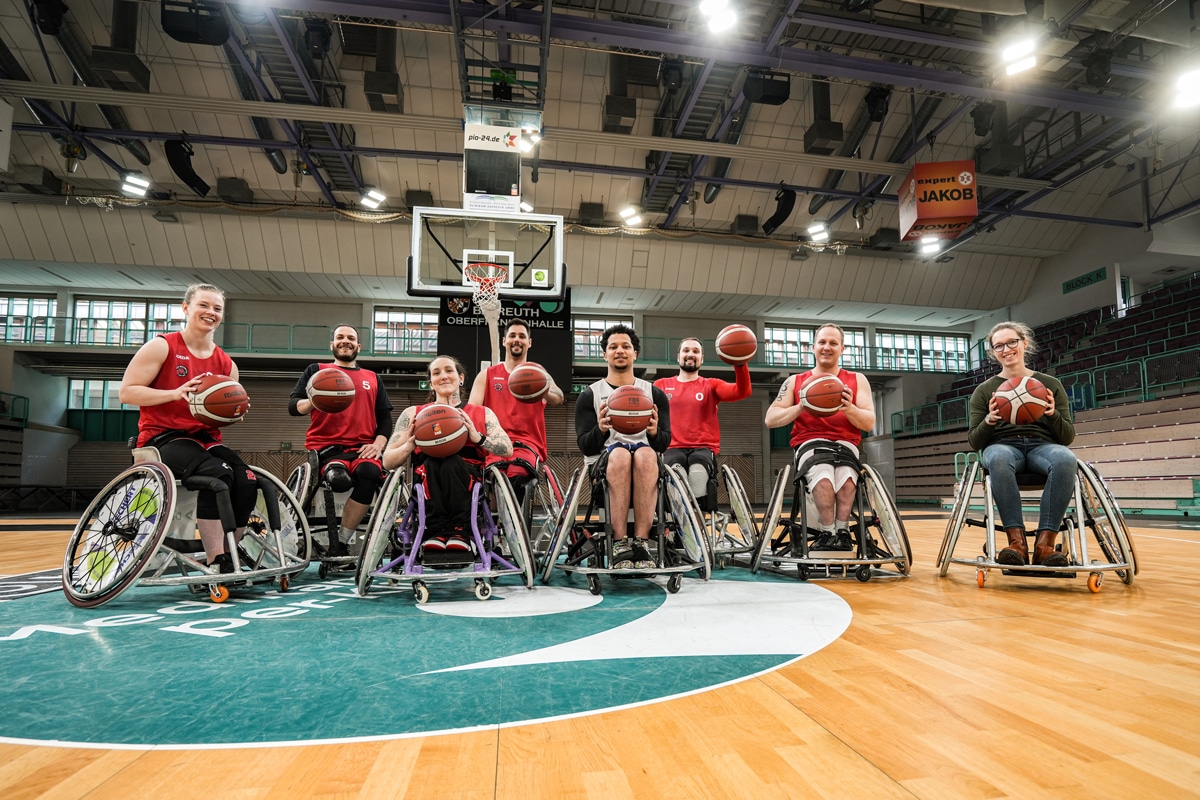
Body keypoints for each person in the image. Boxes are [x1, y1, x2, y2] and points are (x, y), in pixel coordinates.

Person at [118, 283, 257, 574]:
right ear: (186, 308)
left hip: (205, 439)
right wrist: (174, 393)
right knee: (217, 475)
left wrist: (233, 413)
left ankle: (231, 553)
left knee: (246, 479)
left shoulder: (226, 363)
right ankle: (215, 559)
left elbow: (220, 414)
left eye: (217, 308)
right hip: (162, 437)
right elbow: (127, 393)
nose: (211, 312)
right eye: (203, 305)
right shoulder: (162, 346)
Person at [968, 321, 1075, 568]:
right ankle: (1016, 543)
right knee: (998, 457)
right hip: (1003, 445)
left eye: (1011, 342)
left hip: (1043, 446)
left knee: (1065, 458)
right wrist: (990, 420)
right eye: (999, 346)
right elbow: (975, 441)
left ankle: (1045, 545)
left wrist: (1051, 414)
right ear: (993, 353)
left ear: (1024, 343)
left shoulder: (1050, 384)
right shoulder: (984, 391)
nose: (1006, 349)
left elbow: (1067, 437)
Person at [765, 323, 876, 551]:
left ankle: (842, 532)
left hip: (845, 444)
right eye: (823, 342)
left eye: (833, 343)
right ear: (813, 347)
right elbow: (771, 419)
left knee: (846, 476)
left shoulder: (857, 379)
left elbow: (869, 422)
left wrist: (848, 408)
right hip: (810, 442)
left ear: (842, 349)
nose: (827, 347)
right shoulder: (796, 381)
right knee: (823, 475)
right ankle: (827, 533)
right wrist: (800, 406)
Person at [384, 355, 512, 552]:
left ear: (460, 378)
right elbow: (387, 462)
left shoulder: (481, 413)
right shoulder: (414, 414)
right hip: (428, 479)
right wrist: (409, 445)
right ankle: (436, 530)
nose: (443, 376)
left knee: (451, 461)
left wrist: (478, 438)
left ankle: (459, 529)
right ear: (431, 383)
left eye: (449, 371)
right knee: (435, 463)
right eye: (436, 373)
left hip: (468, 480)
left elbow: (507, 449)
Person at [289, 324, 393, 557]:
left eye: (350, 338)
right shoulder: (316, 370)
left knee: (369, 474)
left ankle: (342, 543)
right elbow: (293, 408)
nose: (345, 341)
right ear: (332, 344)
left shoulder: (372, 378)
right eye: (340, 337)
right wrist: (314, 399)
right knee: (339, 480)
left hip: (362, 449)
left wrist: (378, 445)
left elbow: (385, 419)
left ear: (358, 346)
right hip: (326, 449)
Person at [575, 323, 672, 569]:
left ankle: (641, 543)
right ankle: (619, 543)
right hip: (605, 464)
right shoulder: (590, 395)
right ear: (604, 354)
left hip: (645, 462)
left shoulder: (654, 394)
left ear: (635, 354)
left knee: (646, 455)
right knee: (619, 454)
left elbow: (665, 442)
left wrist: (652, 432)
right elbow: (585, 446)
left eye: (626, 346)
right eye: (613, 347)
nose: (620, 351)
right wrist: (601, 429)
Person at [653, 336, 752, 508]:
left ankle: (696, 529)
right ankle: (680, 527)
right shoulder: (661, 385)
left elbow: (742, 391)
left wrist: (740, 363)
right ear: (678, 357)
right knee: (678, 476)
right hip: (672, 447)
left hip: (703, 448)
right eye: (686, 350)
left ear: (702, 359)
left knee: (697, 475)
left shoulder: (711, 385)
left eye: (696, 351)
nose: (691, 354)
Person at [467, 318, 564, 484]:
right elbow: (472, 411)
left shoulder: (538, 373)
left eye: (522, 336)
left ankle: (517, 510)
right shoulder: (487, 375)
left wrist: (542, 389)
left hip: (527, 444)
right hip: (496, 443)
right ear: (504, 341)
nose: (517, 339)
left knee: (517, 474)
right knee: (494, 477)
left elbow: (559, 398)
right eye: (512, 335)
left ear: (529, 342)